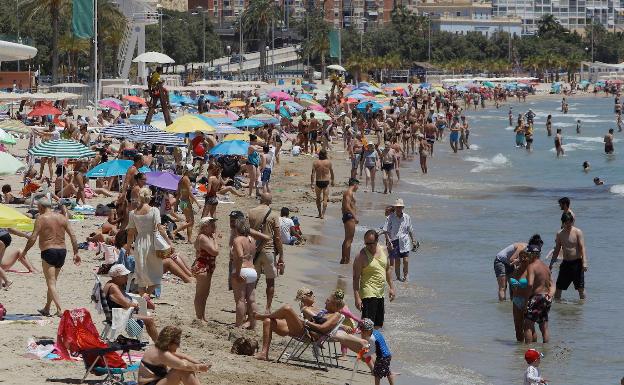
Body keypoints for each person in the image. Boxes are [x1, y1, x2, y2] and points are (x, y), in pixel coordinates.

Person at [21, 197, 80, 316]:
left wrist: (25, 251)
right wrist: (76, 252)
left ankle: (59, 310)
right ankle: (47, 308)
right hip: (62, 251)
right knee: (52, 282)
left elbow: (33, 238)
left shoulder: (41, 218)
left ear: (41, 207)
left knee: (51, 283)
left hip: (49, 251)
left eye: (38, 207)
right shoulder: (62, 217)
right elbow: (73, 235)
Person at [254, 291, 348, 361]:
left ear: (334, 305)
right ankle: (264, 353)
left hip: (309, 335)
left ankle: (262, 316)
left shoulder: (336, 315)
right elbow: (311, 314)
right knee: (268, 321)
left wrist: (306, 322)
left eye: (328, 301)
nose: (325, 302)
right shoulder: (325, 312)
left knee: (287, 308)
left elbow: (322, 328)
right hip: (304, 330)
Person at [138, 325, 210, 385]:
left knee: (184, 365)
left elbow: (184, 357)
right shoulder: (162, 354)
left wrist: (199, 364)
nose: (178, 346)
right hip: (149, 383)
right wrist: (199, 367)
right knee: (182, 370)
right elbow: (184, 366)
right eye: (177, 343)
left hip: (156, 381)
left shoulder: (158, 348)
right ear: (170, 343)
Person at [103, 264, 159, 342]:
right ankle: (159, 343)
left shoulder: (111, 283)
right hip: (120, 316)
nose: (127, 277)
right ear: (118, 277)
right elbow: (126, 304)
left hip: (117, 313)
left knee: (147, 315)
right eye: (125, 275)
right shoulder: (113, 288)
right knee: (150, 320)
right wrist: (135, 305)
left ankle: (157, 342)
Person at [353, 230, 396, 329]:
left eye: (371, 243)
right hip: (368, 293)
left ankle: (371, 344)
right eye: (366, 243)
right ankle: (363, 343)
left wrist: (392, 288)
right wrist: (357, 298)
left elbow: (388, 270)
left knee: (377, 326)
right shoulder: (361, 256)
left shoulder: (384, 250)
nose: (368, 246)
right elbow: (356, 278)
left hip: (380, 293)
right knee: (367, 326)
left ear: (377, 241)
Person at [248, 193, 283, 313]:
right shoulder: (273, 215)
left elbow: (247, 231)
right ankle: (267, 308)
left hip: (254, 250)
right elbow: (277, 238)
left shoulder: (251, 212)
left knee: (253, 281)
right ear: (270, 201)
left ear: (260, 200)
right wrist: (281, 256)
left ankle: (250, 306)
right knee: (270, 281)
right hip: (269, 251)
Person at [127, 187, 163, 296]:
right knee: (156, 275)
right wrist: (168, 242)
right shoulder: (154, 210)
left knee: (141, 274)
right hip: (152, 242)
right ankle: (147, 296)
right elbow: (159, 228)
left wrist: (128, 247)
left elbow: (131, 233)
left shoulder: (133, 213)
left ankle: (143, 300)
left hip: (139, 243)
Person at [231, 216, 260, 329]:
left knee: (240, 299)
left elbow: (239, 256)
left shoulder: (238, 240)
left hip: (242, 269)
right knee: (251, 299)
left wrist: (237, 273)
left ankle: (238, 325)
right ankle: (253, 324)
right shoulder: (252, 240)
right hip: (252, 270)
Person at [550, 212, 587, 300]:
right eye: (566, 223)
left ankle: (582, 309)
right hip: (565, 263)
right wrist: (551, 263)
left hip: (577, 263)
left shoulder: (578, 232)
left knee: (580, 288)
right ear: (563, 222)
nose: (568, 225)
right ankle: (558, 309)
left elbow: (582, 248)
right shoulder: (559, 234)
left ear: (572, 221)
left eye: (570, 222)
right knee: (558, 288)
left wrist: (585, 262)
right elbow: (557, 250)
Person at [523, 242, 555, 344]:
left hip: (537, 298)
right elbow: (552, 284)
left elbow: (530, 284)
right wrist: (550, 296)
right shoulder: (546, 267)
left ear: (531, 254)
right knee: (544, 326)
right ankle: (545, 352)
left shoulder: (531, 266)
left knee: (527, 325)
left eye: (528, 254)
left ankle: (527, 351)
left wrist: (526, 300)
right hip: (546, 297)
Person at [382, 198, 416, 282]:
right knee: (397, 261)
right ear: (395, 207)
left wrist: (413, 240)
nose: (398, 208)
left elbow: (410, 230)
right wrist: (388, 241)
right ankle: (398, 277)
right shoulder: (390, 217)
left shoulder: (407, 217)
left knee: (406, 261)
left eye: (400, 207)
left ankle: (405, 276)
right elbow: (385, 230)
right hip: (394, 241)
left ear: (403, 208)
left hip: (405, 241)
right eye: (397, 207)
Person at [192, 217, 219, 321]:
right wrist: (215, 239)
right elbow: (215, 252)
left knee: (205, 294)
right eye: (211, 224)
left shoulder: (207, 236)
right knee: (200, 294)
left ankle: (202, 316)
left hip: (208, 267)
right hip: (202, 267)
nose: (214, 226)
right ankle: (199, 318)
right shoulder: (203, 237)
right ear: (205, 226)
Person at [360, 318, 395, 385]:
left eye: (363, 331)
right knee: (388, 371)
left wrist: (365, 355)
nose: (362, 333)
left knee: (376, 374)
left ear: (368, 330)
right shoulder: (375, 331)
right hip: (388, 355)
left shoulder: (372, 338)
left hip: (382, 357)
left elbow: (372, 350)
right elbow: (377, 344)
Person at [173, 166, 199, 242]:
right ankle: (175, 232)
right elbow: (190, 193)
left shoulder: (181, 179)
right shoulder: (186, 179)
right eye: (192, 171)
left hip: (182, 202)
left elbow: (177, 193)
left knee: (189, 221)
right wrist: (197, 203)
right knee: (191, 222)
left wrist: (176, 206)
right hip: (186, 202)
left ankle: (189, 239)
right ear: (188, 171)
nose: (193, 172)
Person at [310, 149, 334, 219]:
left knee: (318, 198)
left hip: (318, 182)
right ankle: (323, 214)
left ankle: (319, 213)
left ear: (319, 154)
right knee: (325, 199)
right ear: (326, 154)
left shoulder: (315, 163)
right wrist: (333, 180)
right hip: (326, 181)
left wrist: (312, 184)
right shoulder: (328, 162)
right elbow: (332, 172)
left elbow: (312, 174)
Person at [341, 178, 359, 264]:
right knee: (349, 239)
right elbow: (347, 206)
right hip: (349, 217)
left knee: (347, 239)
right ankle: (347, 260)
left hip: (347, 216)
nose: (358, 188)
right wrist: (355, 217)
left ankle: (343, 258)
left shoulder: (348, 193)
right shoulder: (349, 192)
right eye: (357, 185)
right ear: (354, 184)